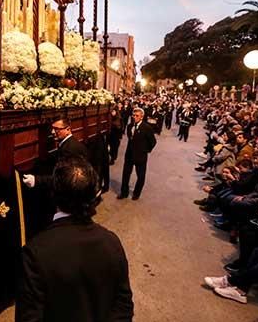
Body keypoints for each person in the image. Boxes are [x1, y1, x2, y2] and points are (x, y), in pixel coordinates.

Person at [16, 158, 134, 322]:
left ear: (53, 195)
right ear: (93, 197)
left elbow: (28, 317)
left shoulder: (35, 252)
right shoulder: (112, 243)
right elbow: (123, 307)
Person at [22, 118, 88, 188]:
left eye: (56, 129)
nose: (52, 132)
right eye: (52, 128)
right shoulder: (69, 144)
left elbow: (65, 179)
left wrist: (36, 180)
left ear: (68, 129)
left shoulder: (69, 149)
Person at [118, 108, 157, 200]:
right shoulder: (130, 126)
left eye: (137, 116)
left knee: (140, 176)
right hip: (129, 155)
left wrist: (145, 150)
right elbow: (130, 138)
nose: (134, 117)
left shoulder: (147, 128)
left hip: (140, 156)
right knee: (125, 175)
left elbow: (153, 142)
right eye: (133, 115)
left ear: (142, 117)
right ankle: (124, 193)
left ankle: (136, 193)